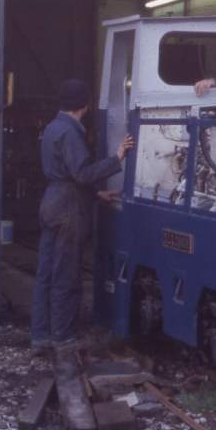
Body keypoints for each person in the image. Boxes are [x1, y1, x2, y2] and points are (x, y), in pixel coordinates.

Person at [32, 78, 134, 352]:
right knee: (66, 272)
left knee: (46, 272)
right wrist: (118, 157)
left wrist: (95, 195)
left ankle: (40, 334)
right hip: (68, 207)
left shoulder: (53, 127)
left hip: (52, 200)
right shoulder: (71, 132)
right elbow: (82, 173)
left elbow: (67, 174)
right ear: (86, 106)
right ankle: (63, 337)